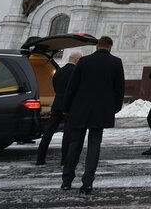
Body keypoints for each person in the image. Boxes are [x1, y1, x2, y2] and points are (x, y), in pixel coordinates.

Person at [61, 36, 125, 194]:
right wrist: (115, 108)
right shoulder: (116, 62)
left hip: (80, 109)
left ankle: (67, 181)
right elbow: (119, 89)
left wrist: (66, 107)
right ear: (110, 46)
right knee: (94, 145)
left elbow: (72, 86)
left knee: (75, 143)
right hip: (101, 111)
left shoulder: (84, 61)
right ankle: (88, 182)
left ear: (97, 46)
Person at [36, 51, 81, 166]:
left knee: (49, 132)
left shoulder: (58, 71)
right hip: (70, 106)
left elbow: (55, 87)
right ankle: (65, 160)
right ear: (76, 60)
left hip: (57, 105)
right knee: (67, 133)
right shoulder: (76, 72)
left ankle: (40, 158)